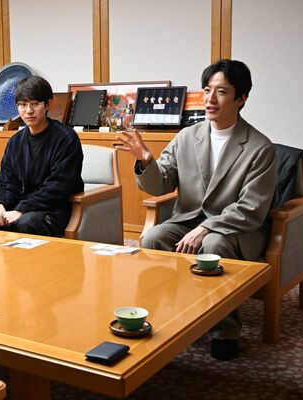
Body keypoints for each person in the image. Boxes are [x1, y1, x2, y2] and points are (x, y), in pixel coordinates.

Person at [116, 60, 277, 361]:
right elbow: (161, 183)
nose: (210, 99)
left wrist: (206, 228)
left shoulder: (260, 147)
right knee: (152, 237)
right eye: (206, 90)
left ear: (241, 99)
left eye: (221, 92)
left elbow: (251, 208)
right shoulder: (187, 137)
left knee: (213, 246)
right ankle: (172, 313)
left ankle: (225, 330)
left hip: (237, 229)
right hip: (188, 219)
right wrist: (146, 160)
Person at [0, 75, 84, 237]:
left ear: (48, 104)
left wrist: (21, 210)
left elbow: (58, 187)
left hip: (54, 208)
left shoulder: (66, 138)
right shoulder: (15, 141)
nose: (28, 111)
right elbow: (7, 182)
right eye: (23, 104)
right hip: (22, 203)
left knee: (26, 223)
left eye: (35, 104)